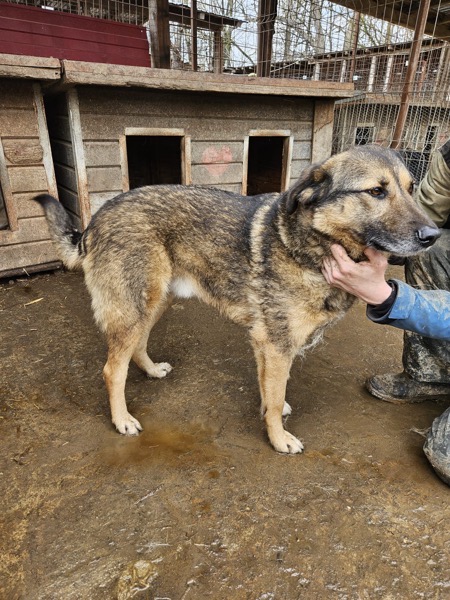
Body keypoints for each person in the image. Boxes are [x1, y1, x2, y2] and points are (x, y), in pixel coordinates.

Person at [322, 139, 450, 486]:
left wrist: (386, 296)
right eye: (377, 190)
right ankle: (432, 375)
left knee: (445, 455)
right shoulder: (449, 156)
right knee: (434, 248)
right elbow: (426, 218)